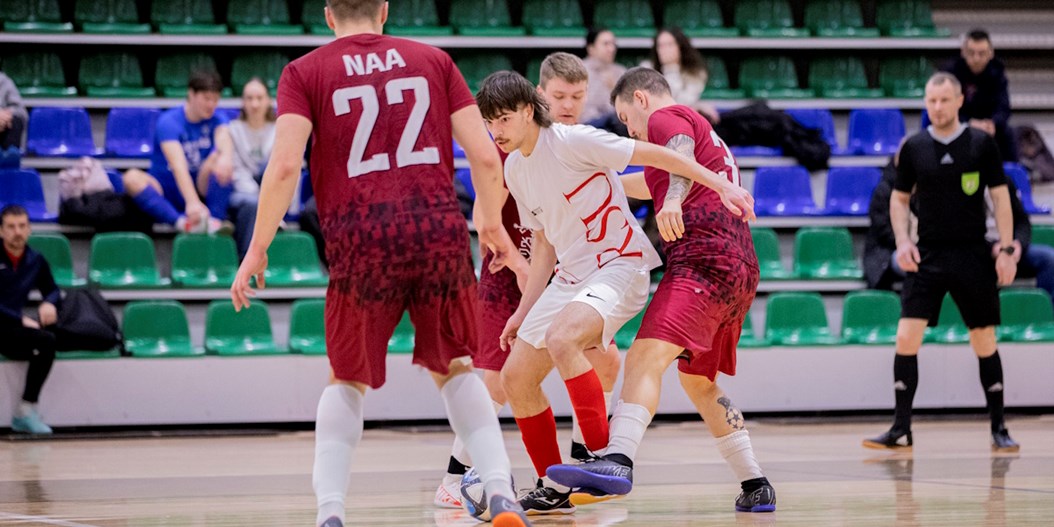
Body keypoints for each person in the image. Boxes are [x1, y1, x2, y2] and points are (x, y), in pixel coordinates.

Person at [228, 2, 530, 527]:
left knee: (346, 381)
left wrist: (257, 247)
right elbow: (485, 157)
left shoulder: (304, 72)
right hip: (437, 232)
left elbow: (282, 168)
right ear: (385, 10)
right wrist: (492, 225)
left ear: (328, 14)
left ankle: (330, 514)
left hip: (361, 238)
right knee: (456, 368)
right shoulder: (434, 60)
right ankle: (501, 492)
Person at [475, 70, 755, 515]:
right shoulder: (515, 167)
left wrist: (721, 183)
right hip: (570, 276)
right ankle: (553, 484)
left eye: (505, 120)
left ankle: (605, 461)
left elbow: (657, 154)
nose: (497, 132)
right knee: (515, 379)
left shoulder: (572, 140)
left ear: (529, 111)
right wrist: (523, 311)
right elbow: (544, 244)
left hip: (619, 265)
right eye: (490, 123)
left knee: (564, 338)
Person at [544, 67, 775, 513]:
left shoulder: (670, 117)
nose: (629, 129)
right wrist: (588, 182)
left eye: (626, 117)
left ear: (641, 99)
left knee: (645, 355)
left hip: (704, 260)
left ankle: (618, 460)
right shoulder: (703, 143)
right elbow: (636, 184)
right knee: (698, 381)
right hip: (740, 266)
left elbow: (676, 151)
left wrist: (672, 200)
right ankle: (756, 483)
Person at [433, 52, 623, 511]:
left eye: (578, 96)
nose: (569, 105)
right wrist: (523, 278)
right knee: (499, 381)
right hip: (508, 273)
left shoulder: (575, 144)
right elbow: (483, 217)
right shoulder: (507, 146)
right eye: (559, 96)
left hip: (557, 275)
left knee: (608, 362)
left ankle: (581, 462)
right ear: (537, 97)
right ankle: (454, 476)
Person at [862, 72, 1020, 453]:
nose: (937, 107)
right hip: (928, 254)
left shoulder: (981, 144)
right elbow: (898, 200)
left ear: (959, 100)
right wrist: (902, 243)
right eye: (931, 101)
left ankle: (999, 427)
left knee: (983, 339)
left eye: (944, 100)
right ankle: (901, 428)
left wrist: (1008, 248)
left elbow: (1000, 198)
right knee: (905, 337)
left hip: (972, 253)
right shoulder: (914, 146)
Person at [122, 69, 234, 234]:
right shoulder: (169, 122)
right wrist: (192, 202)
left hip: (199, 185)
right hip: (167, 189)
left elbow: (224, 138)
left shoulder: (218, 119)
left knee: (221, 162)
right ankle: (182, 223)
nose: (211, 105)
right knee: (131, 177)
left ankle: (213, 221)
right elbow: (178, 166)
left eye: (216, 99)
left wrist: (225, 157)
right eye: (207, 99)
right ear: (191, 94)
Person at [0, 205, 58, 435]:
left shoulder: (35, 259)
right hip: (6, 324)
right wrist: (19, 319)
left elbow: (52, 290)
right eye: (11, 227)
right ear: (1, 231)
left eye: (22, 226)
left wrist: (49, 302)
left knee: (49, 339)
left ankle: (25, 410)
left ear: (29, 230)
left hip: (10, 331)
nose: (17, 231)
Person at [944, 29, 1017, 162]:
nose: (976, 59)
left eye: (981, 53)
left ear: (990, 54)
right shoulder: (951, 74)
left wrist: (993, 123)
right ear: (963, 52)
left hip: (989, 126)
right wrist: (968, 123)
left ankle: (1011, 177)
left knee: (1008, 134)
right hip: (959, 125)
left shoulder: (998, 73)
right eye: (971, 53)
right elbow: (945, 109)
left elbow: (1004, 108)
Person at [227, 77, 277, 259]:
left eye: (259, 97)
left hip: (274, 192)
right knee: (251, 204)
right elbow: (237, 171)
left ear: (268, 101)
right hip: (243, 192)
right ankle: (246, 260)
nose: (254, 104)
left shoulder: (281, 129)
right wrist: (260, 198)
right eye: (249, 98)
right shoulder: (232, 129)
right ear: (243, 102)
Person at [644, 27, 719, 123]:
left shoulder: (696, 72)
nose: (664, 50)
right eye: (660, 46)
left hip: (682, 121)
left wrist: (671, 68)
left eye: (669, 45)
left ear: (680, 47)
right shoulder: (647, 69)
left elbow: (680, 103)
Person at [581, 28, 626, 133]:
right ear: (591, 48)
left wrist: (614, 89)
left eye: (613, 44)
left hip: (615, 126)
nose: (611, 48)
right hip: (587, 126)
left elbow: (626, 109)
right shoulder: (580, 70)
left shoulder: (621, 71)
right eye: (606, 44)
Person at [0, 71, 27, 151]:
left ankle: (10, 157)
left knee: (15, 120)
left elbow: (20, 110)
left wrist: (5, 117)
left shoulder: (3, 80)